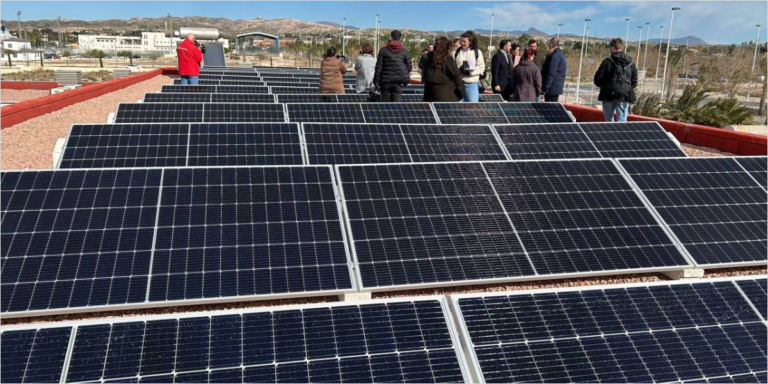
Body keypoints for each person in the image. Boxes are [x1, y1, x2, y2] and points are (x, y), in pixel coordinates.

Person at [594, 37, 638, 122]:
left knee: (609, 122)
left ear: (613, 48)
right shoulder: (630, 63)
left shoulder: (607, 62)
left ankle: (609, 135)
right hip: (623, 97)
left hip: (607, 96)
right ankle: (621, 136)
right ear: (622, 48)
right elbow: (634, 82)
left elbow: (597, 80)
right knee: (622, 121)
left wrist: (606, 85)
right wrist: (624, 88)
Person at [374, 30, 412, 102]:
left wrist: (376, 81)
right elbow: (409, 67)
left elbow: (378, 67)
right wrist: (401, 73)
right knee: (395, 106)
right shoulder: (405, 52)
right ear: (400, 39)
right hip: (398, 82)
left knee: (383, 105)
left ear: (391, 37)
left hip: (385, 81)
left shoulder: (383, 50)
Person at [422, 36, 464, 102]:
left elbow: (423, 69)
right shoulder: (447, 59)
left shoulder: (428, 57)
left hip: (429, 94)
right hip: (444, 95)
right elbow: (456, 73)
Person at [454, 30, 486, 102]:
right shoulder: (456, 52)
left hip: (471, 85)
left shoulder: (477, 52)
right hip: (459, 84)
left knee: (472, 108)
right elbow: (453, 66)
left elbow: (481, 67)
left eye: (464, 41)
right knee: (458, 108)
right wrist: (460, 70)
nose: (462, 43)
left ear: (470, 41)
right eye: (461, 41)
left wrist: (470, 72)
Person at [541, 37, 567, 102]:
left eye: (549, 44)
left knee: (550, 110)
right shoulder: (559, 54)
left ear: (551, 44)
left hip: (552, 89)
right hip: (555, 88)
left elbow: (551, 74)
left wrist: (545, 88)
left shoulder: (555, 56)